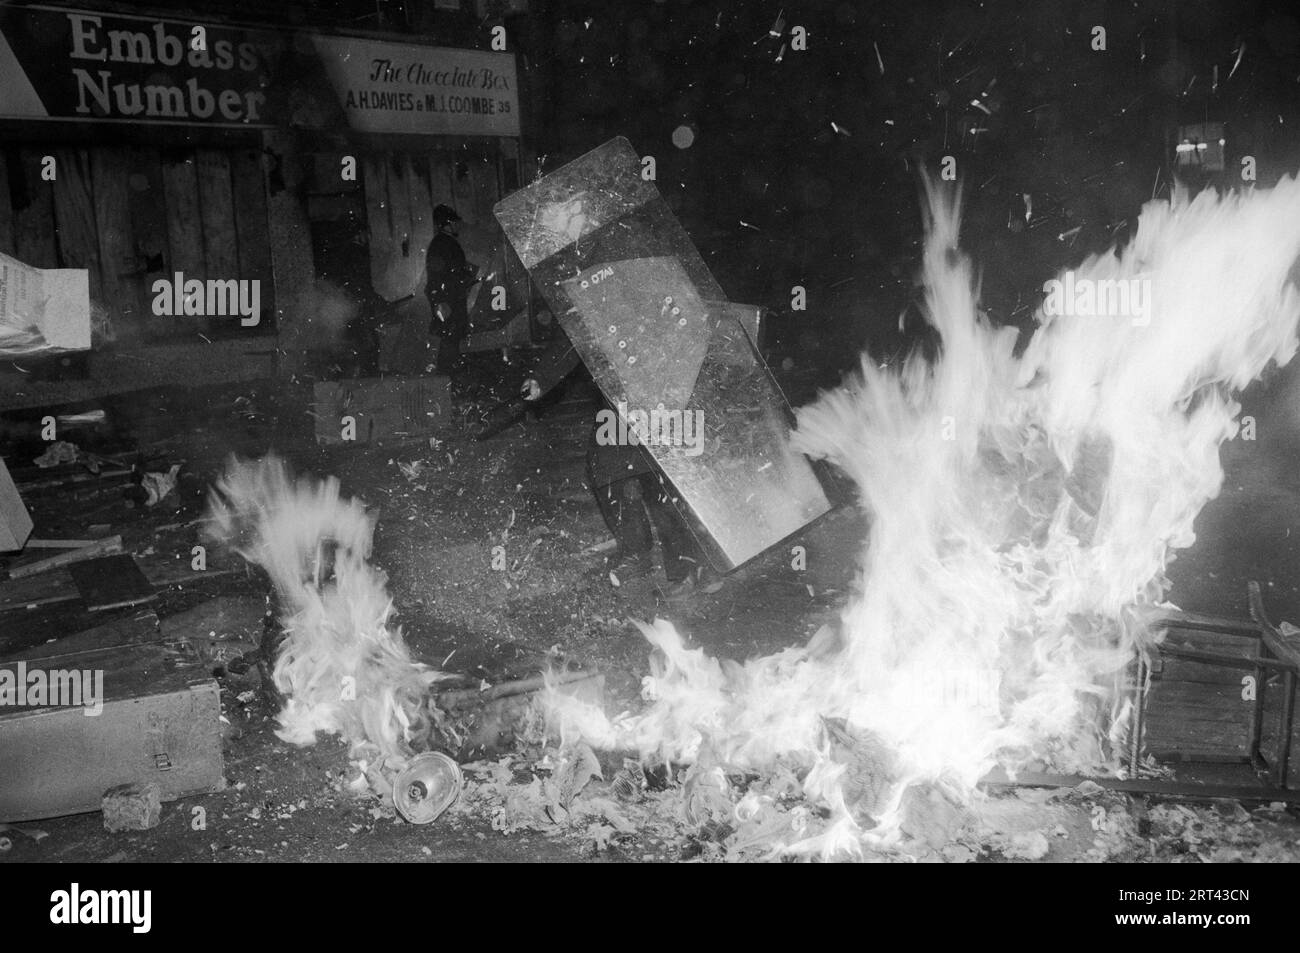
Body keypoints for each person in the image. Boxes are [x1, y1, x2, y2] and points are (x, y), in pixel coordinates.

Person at [519, 331, 720, 599]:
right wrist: (542, 377)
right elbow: (579, 329)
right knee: (607, 466)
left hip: (670, 394)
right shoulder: (607, 293)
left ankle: (691, 567)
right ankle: (636, 551)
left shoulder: (663, 295)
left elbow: (694, 328)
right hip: (623, 396)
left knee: (664, 480)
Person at [425, 204, 479, 375]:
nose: (457, 226)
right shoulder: (443, 244)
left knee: (451, 344)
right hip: (449, 304)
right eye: (454, 222)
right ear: (447, 223)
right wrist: (441, 302)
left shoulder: (444, 243)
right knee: (449, 345)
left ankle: (448, 382)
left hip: (451, 302)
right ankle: (445, 384)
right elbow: (439, 278)